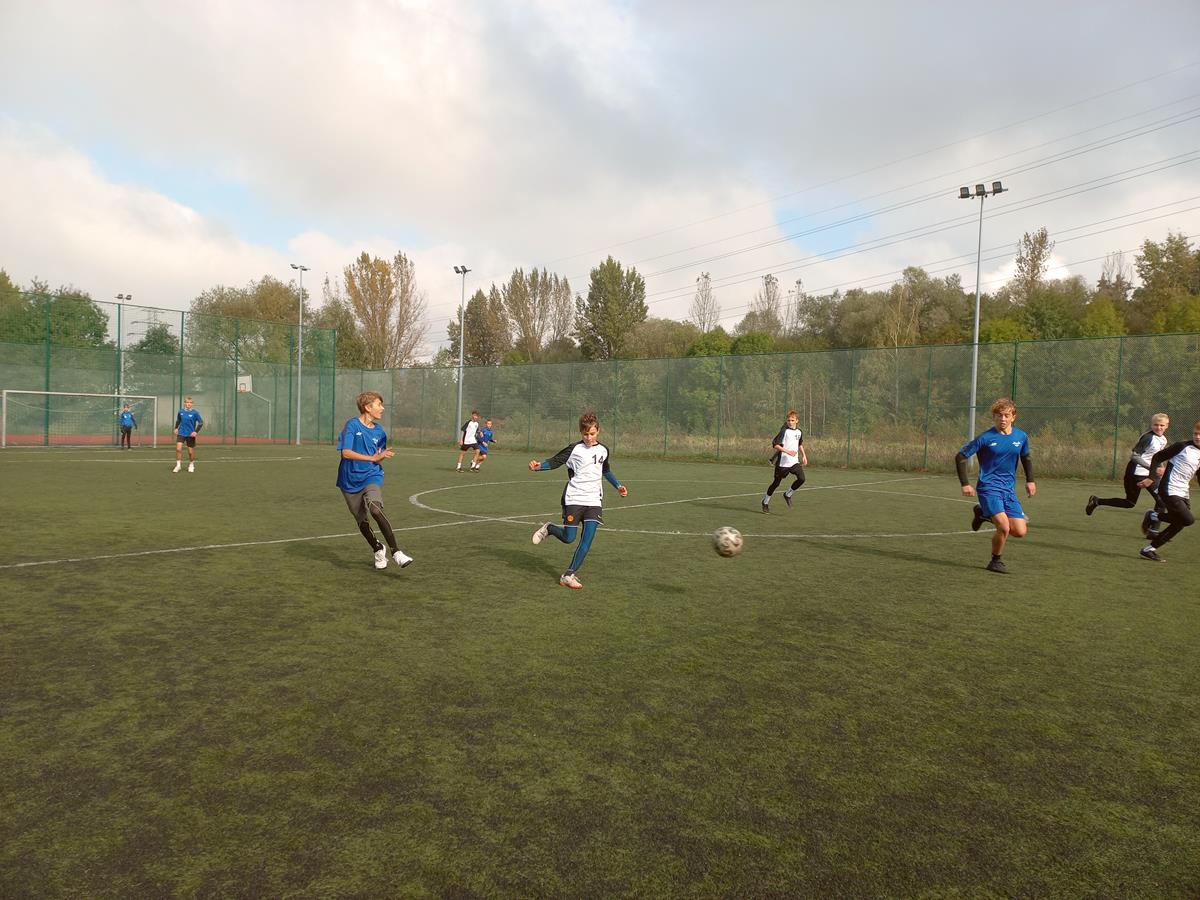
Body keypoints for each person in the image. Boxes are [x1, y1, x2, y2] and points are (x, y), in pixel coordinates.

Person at [528, 410, 628, 590]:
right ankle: (549, 528)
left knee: (586, 541)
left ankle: (568, 575)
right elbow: (555, 461)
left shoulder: (603, 450)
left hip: (594, 501)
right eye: (585, 434)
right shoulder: (574, 449)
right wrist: (538, 467)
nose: (589, 438)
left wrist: (618, 486)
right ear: (581, 432)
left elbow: (605, 470)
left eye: (592, 434)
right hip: (574, 498)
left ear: (598, 431)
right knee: (569, 538)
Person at [955, 397, 1036, 574]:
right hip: (988, 488)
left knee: (1020, 531)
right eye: (999, 415)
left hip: (1008, 490)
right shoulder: (986, 438)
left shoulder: (1021, 436)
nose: (1003, 419)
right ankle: (995, 561)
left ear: (1013, 417)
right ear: (994, 417)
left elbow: (1026, 457)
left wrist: (1030, 480)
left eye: (1006, 415)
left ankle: (983, 514)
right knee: (1004, 527)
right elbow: (960, 456)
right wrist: (965, 484)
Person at [336, 391, 413, 571]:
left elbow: (377, 458)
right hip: (349, 480)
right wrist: (372, 458)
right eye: (379, 404)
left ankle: (396, 552)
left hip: (371, 475)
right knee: (362, 521)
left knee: (376, 510)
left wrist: (381, 456)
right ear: (367, 407)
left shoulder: (380, 432)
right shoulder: (352, 425)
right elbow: (345, 453)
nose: (382, 408)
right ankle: (378, 548)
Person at [1137, 420, 1200, 562]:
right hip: (1169, 489)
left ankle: (1148, 550)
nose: (1197, 437)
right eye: (1196, 434)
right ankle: (1153, 516)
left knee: (1180, 522)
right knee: (1188, 520)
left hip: (1183, 491)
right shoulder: (1182, 446)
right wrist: (1151, 477)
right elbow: (1157, 457)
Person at [1086, 413, 1169, 517]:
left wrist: (1161, 468)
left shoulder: (1163, 439)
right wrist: (1153, 468)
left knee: (1161, 501)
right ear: (1151, 425)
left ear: (1167, 426)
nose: (1159, 427)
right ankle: (1097, 501)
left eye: (1162, 425)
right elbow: (1134, 456)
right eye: (1156, 425)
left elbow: (1157, 457)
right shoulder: (1148, 438)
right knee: (1130, 503)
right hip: (1136, 473)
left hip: (1150, 473)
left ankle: (1152, 524)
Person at [761, 409, 808, 513]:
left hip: (794, 462)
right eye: (788, 420)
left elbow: (799, 444)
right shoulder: (784, 431)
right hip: (783, 464)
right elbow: (775, 445)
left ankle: (787, 494)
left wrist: (804, 456)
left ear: (797, 421)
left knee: (802, 479)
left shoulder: (799, 432)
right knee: (776, 483)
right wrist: (787, 451)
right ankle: (765, 501)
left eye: (792, 420)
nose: (790, 422)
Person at [172, 397, 203, 473]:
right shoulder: (181, 411)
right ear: (184, 403)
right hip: (181, 433)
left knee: (190, 452)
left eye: (190, 402)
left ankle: (191, 464)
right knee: (178, 449)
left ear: (192, 404)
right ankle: (178, 466)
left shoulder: (195, 413)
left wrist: (196, 432)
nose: (188, 404)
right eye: (187, 402)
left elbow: (201, 422)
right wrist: (176, 428)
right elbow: (178, 420)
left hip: (190, 434)